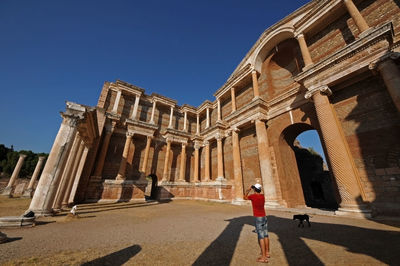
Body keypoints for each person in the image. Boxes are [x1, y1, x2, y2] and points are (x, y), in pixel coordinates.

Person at [244, 183, 269, 263]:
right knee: (266, 234)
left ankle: (264, 257)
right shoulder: (262, 196)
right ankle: (267, 252)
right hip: (264, 217)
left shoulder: (253, 197)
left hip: (258, 217)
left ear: (254, 189)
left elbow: (244, 197)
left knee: (260, 236)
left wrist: (248, 190)